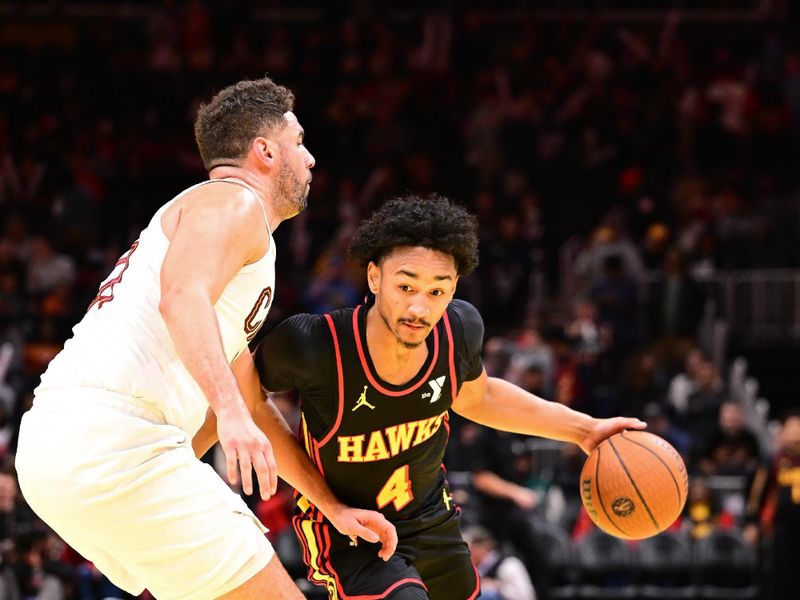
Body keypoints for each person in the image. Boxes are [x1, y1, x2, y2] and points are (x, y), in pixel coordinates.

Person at [15, 77, 395, 600]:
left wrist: (331, 507)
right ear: (264, 151)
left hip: (62, 449)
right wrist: (231, 414)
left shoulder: (224, 235)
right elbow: (181, 298)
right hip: (114, 438)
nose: (310, 159)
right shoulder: (233, 204)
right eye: (299, 142)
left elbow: (248, 400)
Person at [237, 195, 646, 599]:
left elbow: (479, 398)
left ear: (454, 288)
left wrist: (585, 429)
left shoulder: (459, 330)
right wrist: (330, 505)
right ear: (375, 277)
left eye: (437, 291)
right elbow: (247, 396)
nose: (419, 307)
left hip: (431, 518)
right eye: (405, 285)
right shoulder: (314, 344)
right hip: (349, 531)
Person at [463, 525, 536, 600]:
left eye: (470, 549)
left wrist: (496, 586)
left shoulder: (509, 565)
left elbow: (525, 596)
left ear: (484, 547)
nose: (467, 555)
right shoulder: (476, 571)